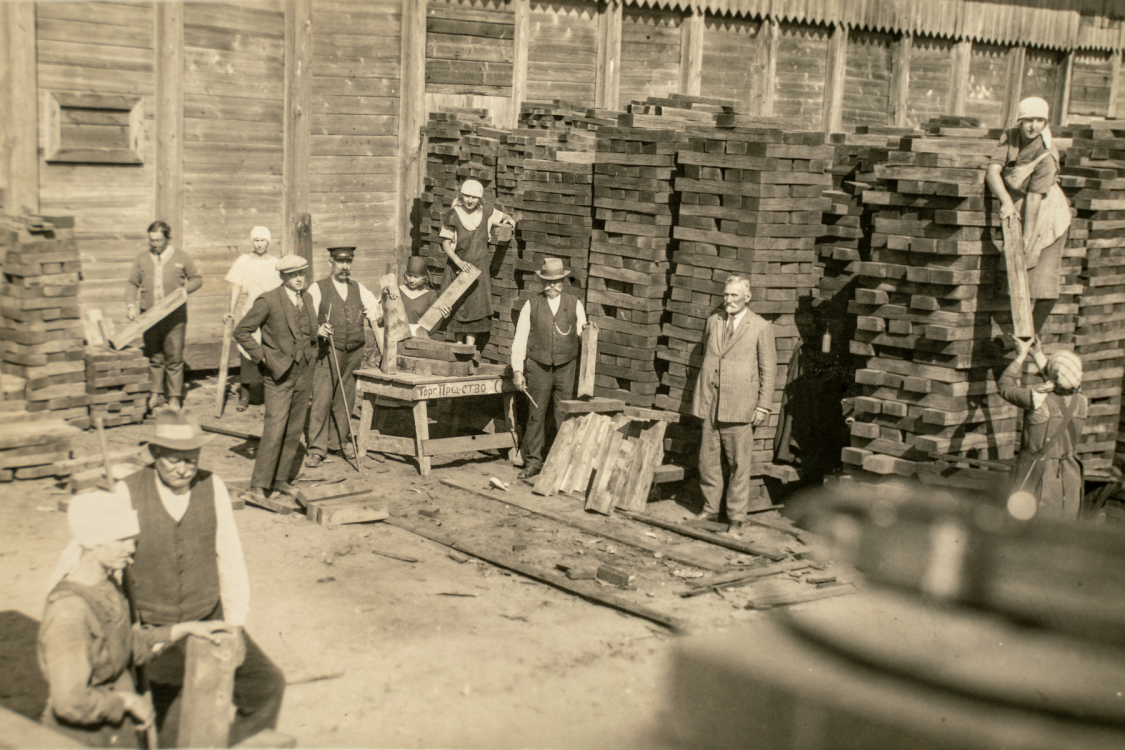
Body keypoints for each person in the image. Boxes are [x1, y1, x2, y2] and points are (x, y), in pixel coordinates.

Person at [118, 406, 286, 746]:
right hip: (156, 628)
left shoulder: (213, 487)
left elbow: (231, 558)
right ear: (155, 453)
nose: (184, 468)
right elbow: (109, 566)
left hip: (209, 618)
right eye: (174, 459)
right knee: (170, 720)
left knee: (266, 685)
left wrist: (235, 626)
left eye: (191, 458)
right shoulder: (127, 492)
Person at [38, 490, 229, 747]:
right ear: (93, 542)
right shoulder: (68, 613)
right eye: (121, 539)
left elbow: (128, 646)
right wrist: (126, 702)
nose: (132, 548)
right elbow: (71, 701)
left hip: (117, 730)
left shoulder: (108, 586)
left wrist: (187, 628)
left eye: (133, 539)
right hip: (82, 737)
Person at [691, 275, 777, 533]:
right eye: (726, 295)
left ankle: (736, 518)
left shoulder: (760, 327)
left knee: (739, 465)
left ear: (747, 298)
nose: (728, 300)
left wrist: (762, 406)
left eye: (734, 296)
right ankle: (709, 510)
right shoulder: (714, 322)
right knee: (708, 461)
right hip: (711, 402)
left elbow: (768, 371)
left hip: (740, 406)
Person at [234, 255, 320, 501]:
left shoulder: (308, 298)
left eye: (302, 273)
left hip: (304, 373)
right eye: (293, 275)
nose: (299, 279)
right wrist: (262, 357)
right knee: (274, 429)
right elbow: (241, 331)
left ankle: (281, 479)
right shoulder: (269, 300)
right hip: (279, 375)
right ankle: (259, 485)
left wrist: (314, 345)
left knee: (294, 430)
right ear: (282, 276)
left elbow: (308, 332)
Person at [985, 96, 1072, 340]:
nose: (1033, 126)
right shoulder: (1011, 136)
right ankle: (1022, 336)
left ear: (1046, 122)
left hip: (1048, 211)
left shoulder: (1047, 153)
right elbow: (993, 170)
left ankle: (1028, 338)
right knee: (1017, 272)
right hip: (1019, 203)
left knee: (1042, 276)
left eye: (1039, 121)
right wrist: (1006, 201)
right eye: (1028, 121)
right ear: (1019, 121)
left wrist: (1027, 235)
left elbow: (1035, 199)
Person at [304, 246, 387, 468]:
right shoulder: (317, 288)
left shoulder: (358, 288)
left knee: (346, 397)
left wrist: (386, 301)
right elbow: (306, 317)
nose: (344, 266)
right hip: (328, 350)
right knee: (322, 399)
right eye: (340, 261)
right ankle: (316, 449)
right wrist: (318, 329)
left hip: (353, 352)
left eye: (348, 262)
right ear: (330, 261)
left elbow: (375, 314)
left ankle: (338, 442)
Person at [511, 258, 587, 481]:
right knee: (536, 414)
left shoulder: (574, 303)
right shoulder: (531, 304)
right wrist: (518, 370)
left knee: (563, 414)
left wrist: (589, 331)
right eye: (547, 282)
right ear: (541, 282)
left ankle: (560, 462)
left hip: (566, 366)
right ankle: (533, 462)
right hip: (538, 366)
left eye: (557, 281)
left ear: (563, 281)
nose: (552, 286)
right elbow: (520, 338)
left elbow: (583, 334)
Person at [1000, 338, 1088, 522]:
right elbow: (1062, 378)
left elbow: (1005, 387)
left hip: (1035, 475)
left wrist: (1022, 355)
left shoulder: (1038, 398)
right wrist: (1038, 354)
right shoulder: (1082, 401)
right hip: (1068, 479)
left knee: (1024, 528)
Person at [126, 220, 203, 412]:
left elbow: (197, 279)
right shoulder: (142, 258)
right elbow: (132, 283)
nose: (155, 244)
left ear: (168, 239)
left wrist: (185, 290)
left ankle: (175, 398)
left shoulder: (181, 257)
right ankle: (155, 395)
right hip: (149, 316)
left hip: (174, 316)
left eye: (159, 240)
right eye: (152, 240)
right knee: (155, 356)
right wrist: (130, 305)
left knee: (174, 357)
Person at [439, 179, 516, 347]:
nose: (469, 200)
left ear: (479, 198)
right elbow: (445, 244)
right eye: (466, 196)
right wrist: (458, 262)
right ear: (461, 195)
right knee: (458, 307)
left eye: (474, 197)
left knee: (475, 307)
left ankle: (470, 348)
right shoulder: (452, 214)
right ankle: (458, 346)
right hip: (458, 267)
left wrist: (509, 220)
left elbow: (504, 216)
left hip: (478, 269)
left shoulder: (487, 212)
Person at [224, 226, 281, 412]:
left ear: (268, 242)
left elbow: (281, 291)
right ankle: (245, 395)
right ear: (252, 242)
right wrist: (230, 311)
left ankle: (269, 394)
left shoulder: (275, 262)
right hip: (251, 310)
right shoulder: (243, 261)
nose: (259, 244)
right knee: (248, 350)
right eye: (256, 240)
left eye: (262, 240)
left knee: (269, 349)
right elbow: (235, 287)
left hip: (271, 313)